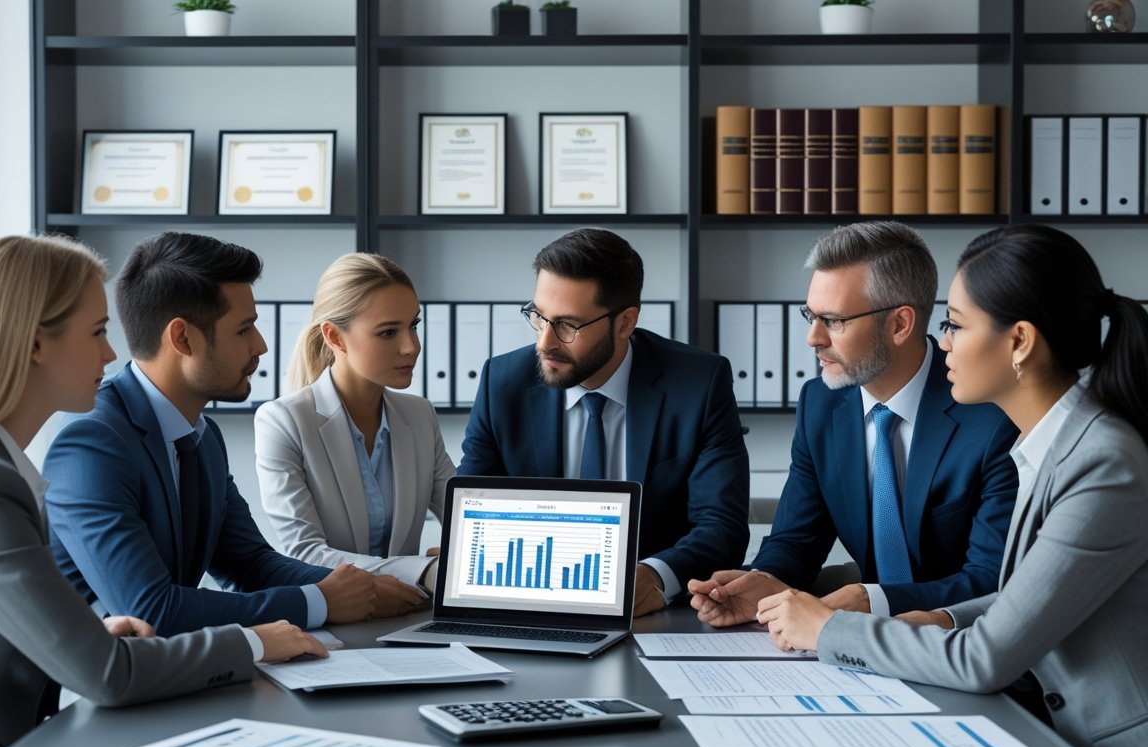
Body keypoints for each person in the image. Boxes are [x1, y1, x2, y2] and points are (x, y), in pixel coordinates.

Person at [757, 224, 1148, 747]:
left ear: (1018, 342)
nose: (942, 344)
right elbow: (1031, 595)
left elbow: (985, 660)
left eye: (956, 326)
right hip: (1047, 729)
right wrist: (944, 619)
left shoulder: (1103, 462)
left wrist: (831, 628)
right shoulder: (1052, 443)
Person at [0, 236, 327, 747]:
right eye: (96, 332)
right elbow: (108, 676)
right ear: (36, 343)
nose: (111, 355)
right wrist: (254, 643)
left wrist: (88, 633)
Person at [45, 232, 427, 638]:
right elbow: (151, 609)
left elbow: (250, 563)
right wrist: (320, 600)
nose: (260, 346)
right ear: (182, 338)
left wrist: (364, 590)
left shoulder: (202, 437)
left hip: (169, 679)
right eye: (244, 330)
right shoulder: (93, 443)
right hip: (86, 694)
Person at [690, 221, 1018, 625]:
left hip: (960, 643)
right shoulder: (820, 404)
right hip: (858, 655)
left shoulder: (991, 415)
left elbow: (992, 579)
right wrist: (763, 581)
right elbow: (797, 539)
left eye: (834, 320)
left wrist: (872, 601)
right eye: (811, 315)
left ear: (900, 324)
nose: (813, 338)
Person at [457, 228, 750, 616]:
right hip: (529, 606)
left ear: (625, 322)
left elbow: (721, 527)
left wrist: (656, 576)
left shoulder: (698, 383)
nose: (545, 342)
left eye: (567, 325)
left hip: (653, 616)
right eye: (539, 317)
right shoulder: (503, 382)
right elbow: (473, 512)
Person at [254, 253, 455, 593]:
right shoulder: (283, 421)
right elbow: (305, 553)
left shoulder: (420, 415)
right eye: (389, 332)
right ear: (334, 337)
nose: (412, 346)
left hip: (408, 618)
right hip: (332, 624)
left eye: (414, 325)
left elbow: (464, 515)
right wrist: (425, 571)